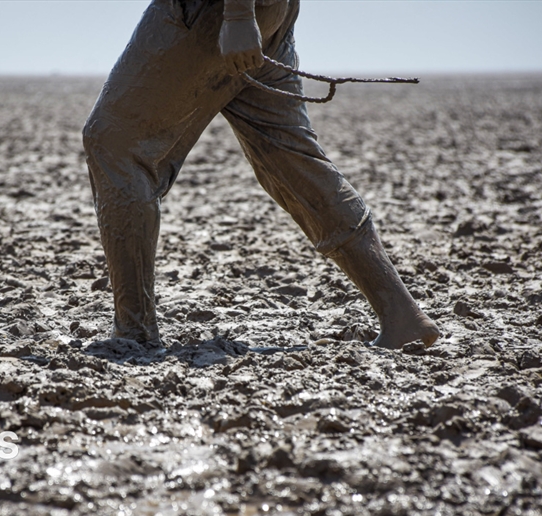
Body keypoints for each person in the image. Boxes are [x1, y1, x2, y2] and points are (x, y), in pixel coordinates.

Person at [82, 0, 439, 349]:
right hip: (267, 13)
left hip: (213, 12)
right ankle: (401, 314)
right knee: (290, 159)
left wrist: (237, 15)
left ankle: (134, 333)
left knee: (115, 144)